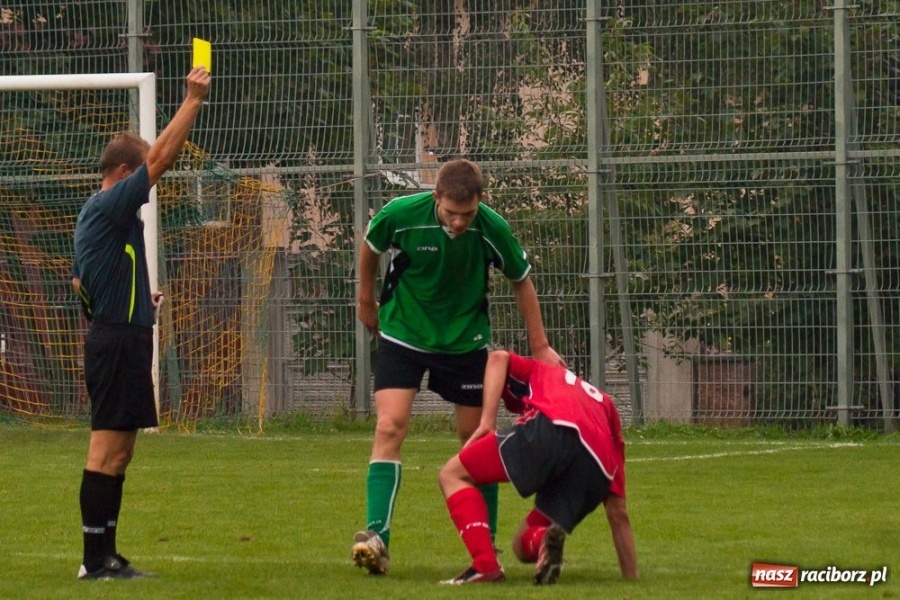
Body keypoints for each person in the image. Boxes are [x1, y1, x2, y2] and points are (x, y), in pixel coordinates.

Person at [351, 159, 565, 575]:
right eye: (451, 212)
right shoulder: (401, 213)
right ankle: (377, 539)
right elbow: (371, 245)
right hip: (404, 333)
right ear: (437, 198)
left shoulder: (491, 227)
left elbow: (521, 279)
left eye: (467, 213)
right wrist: (365, 299)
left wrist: (540, 347)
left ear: (479, 202)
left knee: (476, 440)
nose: (459, 221)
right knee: (389, 426)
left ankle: (485, 553)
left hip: (464, 341)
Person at [71, 66, 211, 580]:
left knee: (122, 452)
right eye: (142, 176)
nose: (150, 186)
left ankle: (107, 555)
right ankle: (93, 560)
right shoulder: (109, 205)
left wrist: (134, 299)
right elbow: (160, 158)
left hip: (123, 335)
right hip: (115, 343)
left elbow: (78, 284)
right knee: (105, 448)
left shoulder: (106, 219)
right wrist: (193, 99)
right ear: (126, 171)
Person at [437, 349, 638, 585]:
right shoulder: (602, 403)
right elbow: (618, 513)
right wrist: (632, 581)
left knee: (451, 474)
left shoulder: (541, 370)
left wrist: (487, 421)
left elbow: (498, 358)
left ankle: (485, 566)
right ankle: (544, 541)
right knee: (521, 544)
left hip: (554, 427)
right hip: (597, 468)